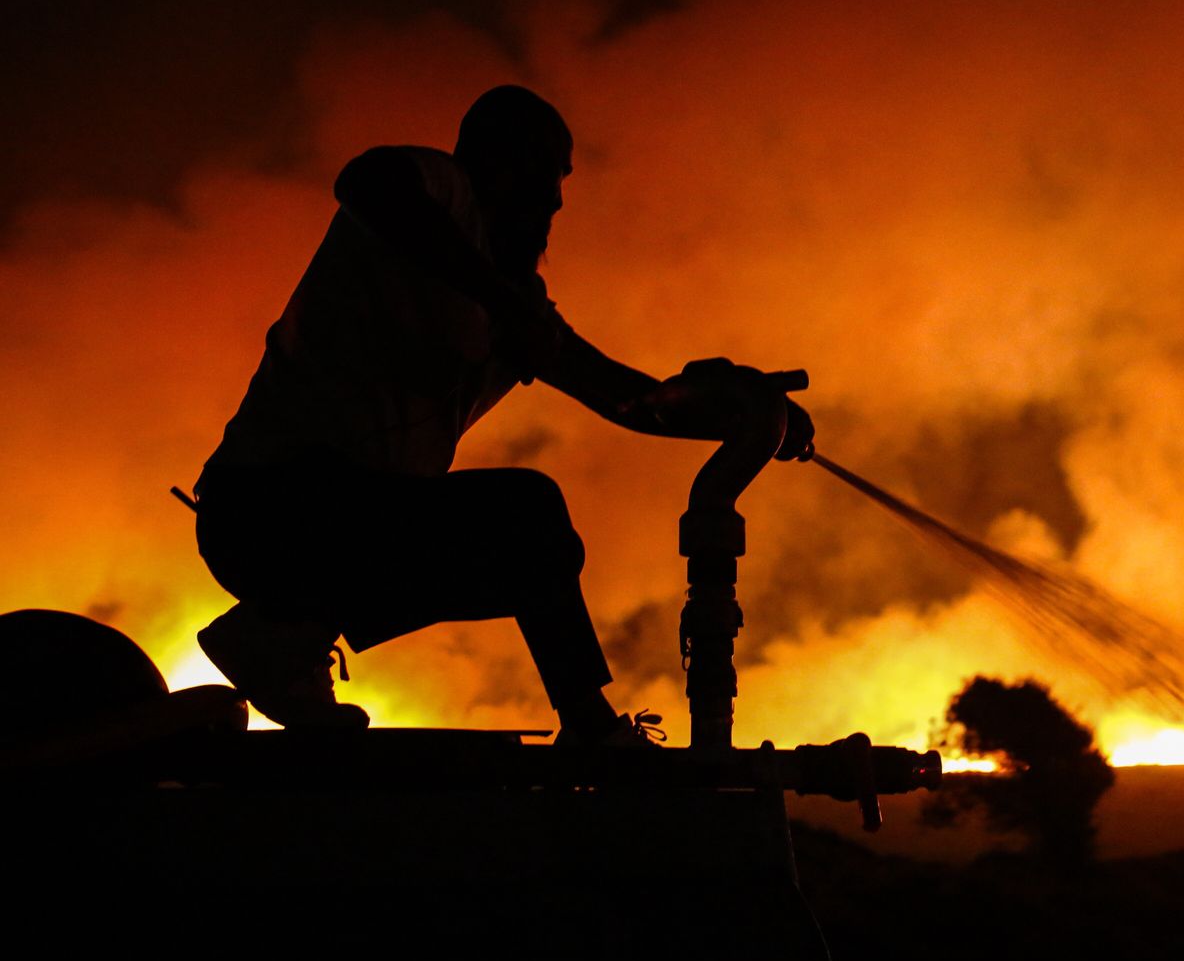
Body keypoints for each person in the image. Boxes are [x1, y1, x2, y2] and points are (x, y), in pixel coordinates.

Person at [191, 85, 812, 745]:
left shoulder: (517, 302)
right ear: (499, 164)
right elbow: (365, 181)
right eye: (546, 174)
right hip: (268, 508)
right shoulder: (442, 192)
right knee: (527, 511)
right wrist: (500, 298)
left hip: (346, 527)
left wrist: (741, 411)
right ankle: (589, 726)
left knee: (536, 556)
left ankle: (290, 630)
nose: (555, 201)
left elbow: (626, 400)